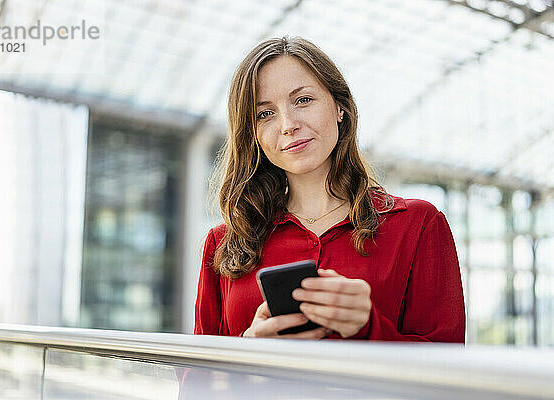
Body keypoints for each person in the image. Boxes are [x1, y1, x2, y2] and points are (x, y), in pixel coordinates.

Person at [194, 36, 465, 342]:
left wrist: (368, 329)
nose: (288, 124)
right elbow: (195, 383)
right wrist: (249, 358)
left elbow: (446, 367)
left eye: (303, 100)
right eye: (264, 113)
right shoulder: (223, 243)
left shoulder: (418, 224)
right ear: (253, 134)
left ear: (340, 107)